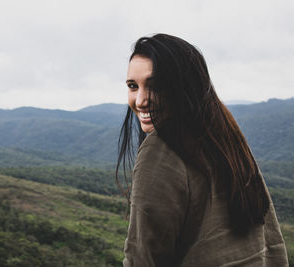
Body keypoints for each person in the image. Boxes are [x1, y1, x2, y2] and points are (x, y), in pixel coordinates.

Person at [116, 34, 289, 267]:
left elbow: (143, 259)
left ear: (183, 86)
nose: (140, 100)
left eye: (155, 85)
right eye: (133, 86)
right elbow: (272, 245)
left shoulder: (160, 150)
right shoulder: (228, 142)